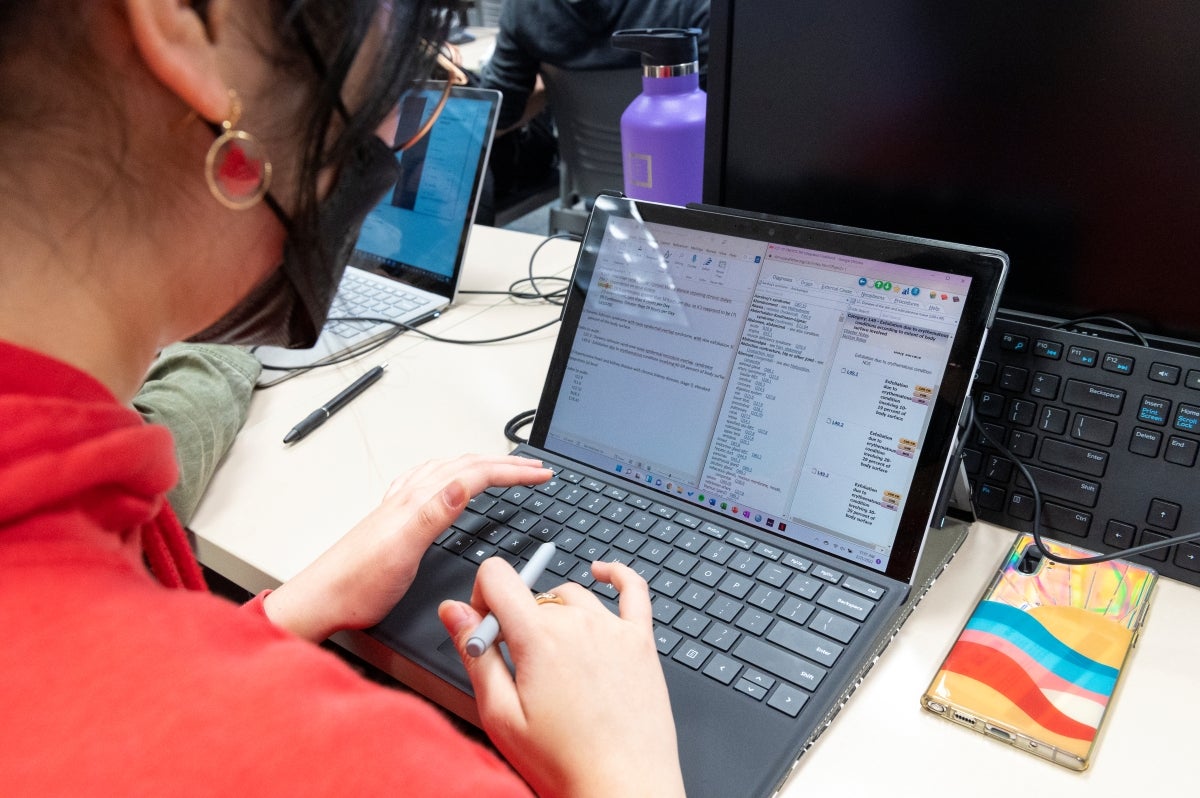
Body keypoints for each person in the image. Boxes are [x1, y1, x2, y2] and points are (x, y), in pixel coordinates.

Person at [0, 2, 685, 795]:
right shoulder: (353, 765)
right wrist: (627, 767)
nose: (397, 122)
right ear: (189, 24)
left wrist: (288, 611)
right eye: (402, 30)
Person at [481, 0, 710, 134]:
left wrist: (549, 87)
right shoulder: (697, 6)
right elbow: (724, 120)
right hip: (686, 189)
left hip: (594, 187)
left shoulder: (522, 9)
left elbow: (498, 115)